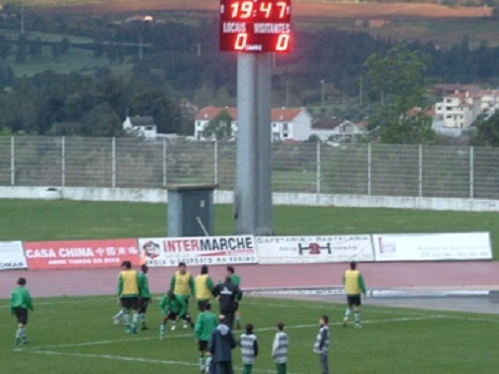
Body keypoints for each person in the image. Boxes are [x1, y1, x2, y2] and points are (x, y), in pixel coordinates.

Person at [117, 260, 141, 333]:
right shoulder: (135, 273)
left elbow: (120, 285)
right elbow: (138, 283)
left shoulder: (121, 274)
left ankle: (128, 327)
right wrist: (139, 292)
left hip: (125, 295)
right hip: (134, 294)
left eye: (123, 265)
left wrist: (118, 295)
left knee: (126, 311)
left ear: (125, 266)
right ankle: (134, 325)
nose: (122, 267)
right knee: (136, 310)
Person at [169, 262, 195, 329]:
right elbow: (172, 284)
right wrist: (171, 293)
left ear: (185, 268)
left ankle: (185, 322)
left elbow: (192, 286)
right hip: (176, 296)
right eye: (181, 267)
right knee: (174, 310)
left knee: (184, 310)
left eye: (183, 267)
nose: (182, 269)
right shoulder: (175, 274)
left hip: (185, 296)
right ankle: (174, 323)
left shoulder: (189, 275)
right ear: (178, 268)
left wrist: (193, 295)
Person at [194, 302, 218, 373]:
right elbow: (216, 326)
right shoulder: (213, 316)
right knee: (209, 353)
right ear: (210, 308)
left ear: (204, 308)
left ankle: (202, 366)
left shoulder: (201, 316)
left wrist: (197, 336)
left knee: (201, 352)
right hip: (211, 338)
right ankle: (208, 367)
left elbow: (198, 327)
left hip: (202, 337)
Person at [342, 261, 367, 329]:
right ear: (355, 266)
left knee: (349, 306)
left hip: (349, 292)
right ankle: (357, 324)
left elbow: (343, 280)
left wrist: (346, 287)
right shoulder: (358, 273)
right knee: (357, 309)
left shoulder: (346, 272)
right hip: (356, 293)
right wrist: (364, 292)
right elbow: (361, 283)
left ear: (350, 266)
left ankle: (346, 318)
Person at [10, 277, 34, 345]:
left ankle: (24, 338)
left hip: (16, 308)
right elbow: (28, 300)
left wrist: (11, 309)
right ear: (24, 283)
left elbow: (11, 300)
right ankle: (17, 338)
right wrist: (31, 307)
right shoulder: (25, 290)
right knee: (21, 324)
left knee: (21, 323)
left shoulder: (14, 290)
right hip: (22, 308)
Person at [137, 263, 152, 330]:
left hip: (145, 295)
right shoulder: (141, 276)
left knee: (143, 310)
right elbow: (139, 286)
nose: (147, 270)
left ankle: (143, 325)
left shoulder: (143, 275)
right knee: (140, 310)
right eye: (146, 269)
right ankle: (134, 324)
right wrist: (139, 295)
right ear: (142, 269)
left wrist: (149, 296)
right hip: (142, 296)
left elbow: (146, 287)